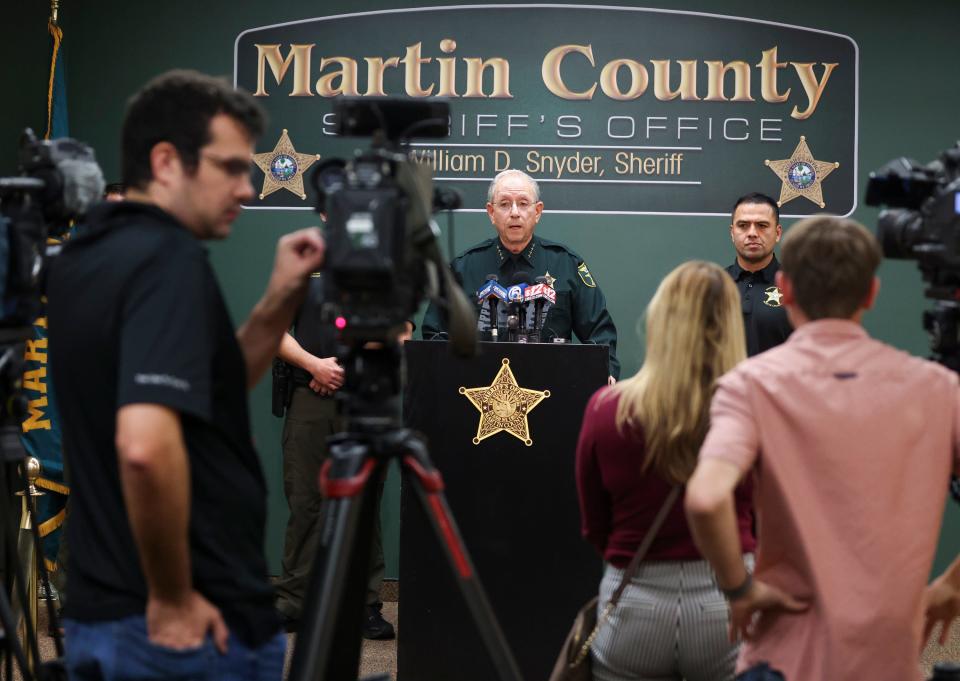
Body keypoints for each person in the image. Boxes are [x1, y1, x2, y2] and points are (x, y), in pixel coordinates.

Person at [47, 69, 325, 679]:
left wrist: (280, 297)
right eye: (229, 167)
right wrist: (173, 598)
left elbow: (212, 386)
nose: (248, 188)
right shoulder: (164, 258)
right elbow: (144, 447)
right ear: (167, 161)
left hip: (109, 614)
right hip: (180, 630)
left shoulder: (89, 254)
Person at [685, 216, 960, 681]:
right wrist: (954, 584)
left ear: (785, 288)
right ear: (871, 293)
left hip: (782, 654)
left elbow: (707, 498)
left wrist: (739, 589)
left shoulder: (751, 385)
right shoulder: (939, 388)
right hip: (890, 657)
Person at [575, 261, 755, 681]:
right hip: (727, 604)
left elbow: (595, 527)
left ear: (660, 319)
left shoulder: (606, 409)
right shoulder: (753, 412)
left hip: (632, 603)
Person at [273, 270, 403, 640]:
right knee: (305, 501)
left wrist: (347, 368)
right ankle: (294, 602)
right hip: (308, 400)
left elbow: (401, 329)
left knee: (363, 504)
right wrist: (315, 365)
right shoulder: (299, 269)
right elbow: (275, 331)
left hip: (365, 396)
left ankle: (364, 605)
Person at [421, 169, 620, 381]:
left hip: (553, 389)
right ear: (491, 212)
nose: (514, 212)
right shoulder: (463, 268)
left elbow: (600, 334)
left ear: (538, 211)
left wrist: (605, 372)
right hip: (479, 391)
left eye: (523, 203)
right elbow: (434, 335)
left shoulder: (566, 264)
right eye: (505, 204)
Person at [725, 193, 792, 356]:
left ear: (777, 233)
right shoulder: (714, 286)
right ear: (732, 233)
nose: (752, 233)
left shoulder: (797, 286)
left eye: (762, 225)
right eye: (743, 225)